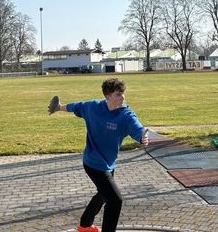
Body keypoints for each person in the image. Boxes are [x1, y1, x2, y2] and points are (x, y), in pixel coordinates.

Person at [47, 78, 149, 232]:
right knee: (115, 200)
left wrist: (142, 136)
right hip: (93, 163)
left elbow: (137, 128)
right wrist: (59, 107)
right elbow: (76, 107)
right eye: (118, 95)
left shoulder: (126, 115)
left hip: (108, 163)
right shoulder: (93, 107)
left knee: (103, 194)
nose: (122, 98)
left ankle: (85, 224)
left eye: (123, 94)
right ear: (107, 96)